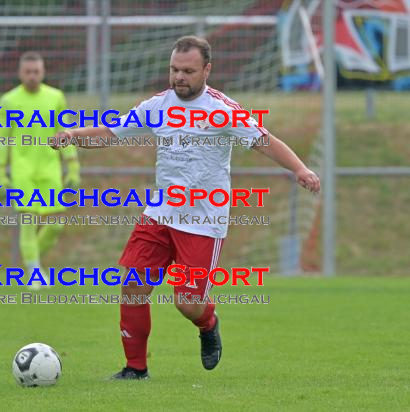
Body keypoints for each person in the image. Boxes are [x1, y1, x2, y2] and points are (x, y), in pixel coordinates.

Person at [52, 36, 320, 379]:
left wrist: (300, 169)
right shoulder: (158, 105)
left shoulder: (223, 109)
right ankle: (135, 369)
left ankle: (208, 323)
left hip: (203, 220)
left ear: (206, 70)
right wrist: (74, 134)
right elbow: (111, 132)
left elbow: (264, 142)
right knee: (132, 287)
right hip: (161, 214)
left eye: (188, 71)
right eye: (174, 69)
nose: (179, 77)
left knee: (186, 302)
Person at [0, 52, 80, 289]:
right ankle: (34, 272)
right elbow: (2, 139)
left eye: (36, 72)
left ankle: (32, 260)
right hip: (23, 172)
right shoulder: (9, 101)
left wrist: (73, 167)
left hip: (50, 169)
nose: (32, 76)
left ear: (43, 73)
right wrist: (0, 174)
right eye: (28, 72)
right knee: (28, 222)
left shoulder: (55, 98)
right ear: (20, 73)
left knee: (55, 225)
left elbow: (64, 132)